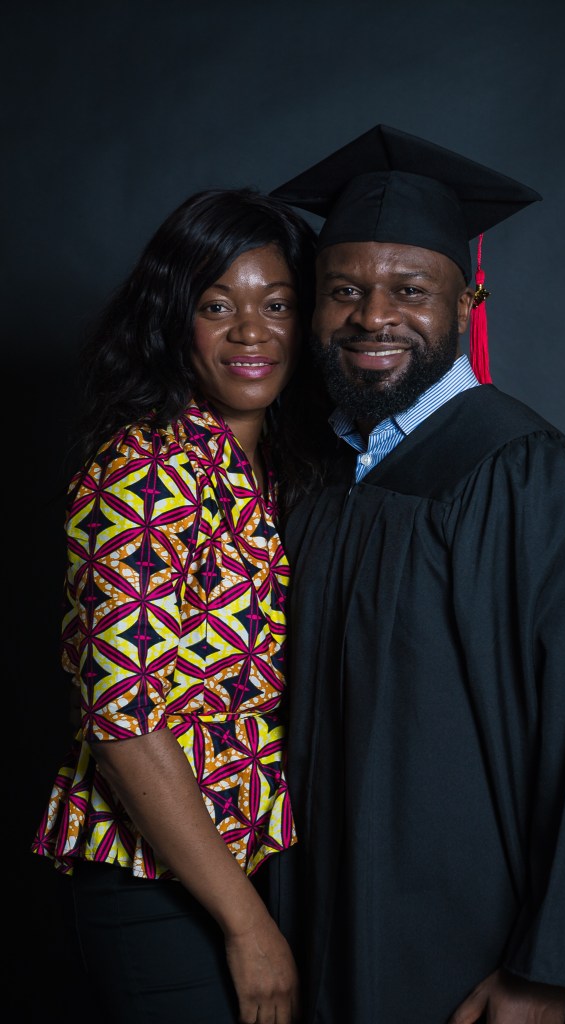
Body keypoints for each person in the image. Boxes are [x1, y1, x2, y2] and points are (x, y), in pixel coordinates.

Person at [269, 125, 565, 1024]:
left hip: (461, 939)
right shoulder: (316, 470)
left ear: (467, 302)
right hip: (308, 914)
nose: (372, 317)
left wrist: (547, 969)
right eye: (343, 291)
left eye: (411, 290)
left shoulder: (527, 473)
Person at [31, 186, 321, 1024]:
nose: (251, 332)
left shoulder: (276, 470)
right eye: (216, 305)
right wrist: (247, 927)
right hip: (156, 883)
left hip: (255, 863)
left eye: (278, 304)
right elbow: (122, 721)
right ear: (173, 320)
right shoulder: (147, 472)